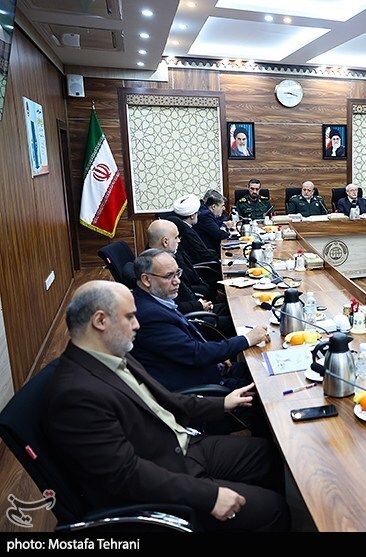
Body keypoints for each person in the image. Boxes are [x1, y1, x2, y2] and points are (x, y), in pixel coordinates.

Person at [42, 280, 289, 532]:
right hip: (165, 476)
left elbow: (165, 400)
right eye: (129, 317)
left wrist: (222, 403)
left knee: (270, 456)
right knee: (273, 508)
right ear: (100, 321)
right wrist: (209, 496)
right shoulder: (75, 394)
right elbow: (126, 475)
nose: (137, 325)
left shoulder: (110, 353)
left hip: (182, 445)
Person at [129, 249, 268, 392]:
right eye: (169, 276)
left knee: (264, 365)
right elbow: (196, 354)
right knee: (269, 384)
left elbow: (187, 343)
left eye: (177, 273)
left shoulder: (155, 300)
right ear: (146, 279)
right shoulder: (150, 315)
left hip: (210, 369)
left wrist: (218, 356)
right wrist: (247, 339)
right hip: (204, 386)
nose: (177, 281)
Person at [145, 220, 234, 336]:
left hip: (194, 307)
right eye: (176, 237)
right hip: (190, 321)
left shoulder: (165, 256)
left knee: (235, 306)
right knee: (236, 319)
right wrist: (199, 306)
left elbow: (185, 290)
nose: (179, 240)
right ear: (165, 241)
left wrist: (200, 303)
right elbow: (172, 307)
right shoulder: (157, 267)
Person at [164, 194, 219, 267]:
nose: (198, 215)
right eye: (197, 213)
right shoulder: (186, 231)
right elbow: (202, 255)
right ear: (192, 216)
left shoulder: (181, 226)